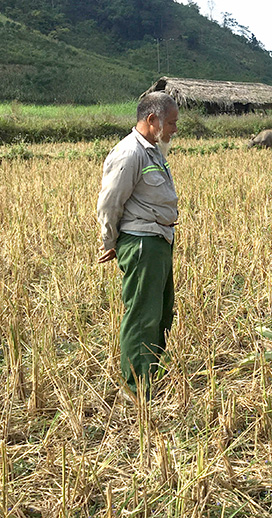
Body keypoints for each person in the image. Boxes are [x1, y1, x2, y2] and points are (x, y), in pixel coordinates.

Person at [97, 92, 179, 400]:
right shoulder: (129, 153)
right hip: (142, 243)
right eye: (170, 123)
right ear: (152, 120)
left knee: (160, 313)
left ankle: (151, 372)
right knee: (142, 316)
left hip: (159, 240)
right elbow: (109, 203)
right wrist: (110, 241)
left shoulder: (154, 151)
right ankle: (137, 387)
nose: (174, 129)